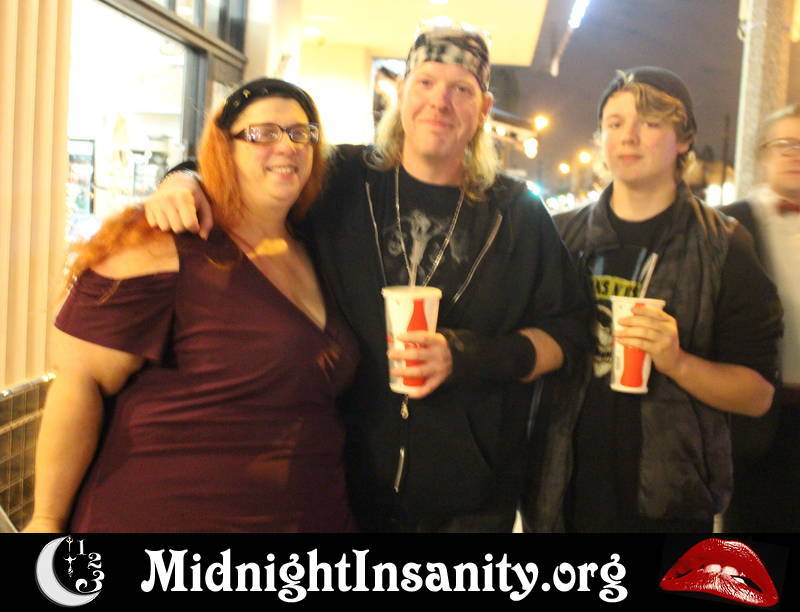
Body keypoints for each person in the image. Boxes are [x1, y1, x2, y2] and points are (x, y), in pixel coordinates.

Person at [143, 23, 591, 532]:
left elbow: (568, 333)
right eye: (425, 82)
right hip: (339, 484)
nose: (440, 101)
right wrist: (184, 179)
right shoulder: (340, 178)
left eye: (461, 89)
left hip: (469, 503)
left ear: (484, 108)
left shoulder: (518, 213)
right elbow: (247, 173)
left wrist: (468, 356)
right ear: (400, 91)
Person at [24, 79, 359, 532]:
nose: (287, 146)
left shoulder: (315, 249)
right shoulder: (168, 242)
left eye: (300, 133)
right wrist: (46, 520)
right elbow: (79, 385)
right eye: (262, 133)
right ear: (225, 149)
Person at [524, 67, 783, 533]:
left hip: (669, 506)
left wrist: (678, 362)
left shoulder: (723, 244)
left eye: (649, 122)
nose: (628, 136)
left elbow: (758, 395)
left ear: (684, 139)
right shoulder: (559, 236)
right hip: (559, 495)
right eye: (615, 122)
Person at [721, 104, 800, 531]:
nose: (793, 154)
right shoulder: (727, 224)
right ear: (763, 155)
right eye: (783, 144)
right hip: (753, 424)